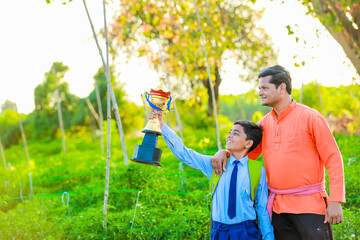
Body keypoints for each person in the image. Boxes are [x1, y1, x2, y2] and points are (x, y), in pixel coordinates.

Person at [211, 65, 345, 240]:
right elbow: (245, 154)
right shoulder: (263, 125)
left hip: (311, 208)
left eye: (264, 88)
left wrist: (335, 201)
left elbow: (333, 158)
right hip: (278, 210)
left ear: (282, 88)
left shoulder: (311, 118)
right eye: (259, 88)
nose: (260, 92)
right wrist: (224, 153)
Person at [149, 109, 274, 240]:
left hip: (246, 232)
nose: (229, 136)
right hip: (220, 232)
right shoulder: (215, 164)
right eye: (229, 132)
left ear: (248, 143)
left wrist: (268, 237)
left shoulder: (258, 170)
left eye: (235, 133)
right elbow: (184, 153)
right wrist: (162, 125)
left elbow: (262, 209)